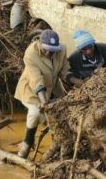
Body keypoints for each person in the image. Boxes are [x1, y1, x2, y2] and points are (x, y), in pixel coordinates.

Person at [14, 29, 82, 158]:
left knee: (64, 112)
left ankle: (57, 143)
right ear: (40, 44)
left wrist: (78, 82)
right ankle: (27, 143)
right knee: (35, 113)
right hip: (32, 89)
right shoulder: (30, 54)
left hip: (52, 87)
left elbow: (64, 71)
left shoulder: (61, 49)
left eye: (53, 50)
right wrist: (44, 102)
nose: (50, 53)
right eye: (46, 50)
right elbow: (36, 80)